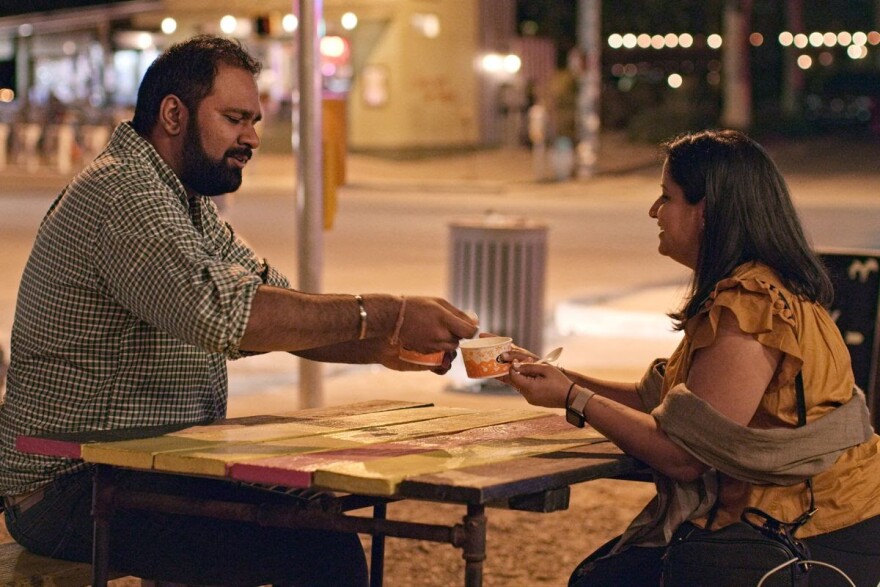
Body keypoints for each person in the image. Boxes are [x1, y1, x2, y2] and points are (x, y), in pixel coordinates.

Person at [0, 35, 478, 586]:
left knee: (317, 505)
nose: (251, 137)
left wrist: (389, 344)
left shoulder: (186, 201)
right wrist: (387, 314)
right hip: (70, 484)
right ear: (174, 114)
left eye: (253, 119)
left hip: (153, 467)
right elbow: (226, 315)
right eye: (234, 118)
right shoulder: (123, 192)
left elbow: (280, 309)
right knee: (318, 547)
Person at [499, 129, 880, 586]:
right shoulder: (755, 288)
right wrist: (554, 380)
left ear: (708, 211)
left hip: (813, 528)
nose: (654, 211)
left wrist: (576, 399)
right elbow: (671, 407)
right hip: (799, 518)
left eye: (667, 197)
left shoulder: (750, 306)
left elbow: (683, 455)